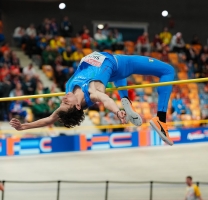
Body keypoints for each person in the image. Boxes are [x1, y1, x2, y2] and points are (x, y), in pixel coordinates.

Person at [10, 51, 175, 145]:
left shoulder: (69, 91)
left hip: (110, 68)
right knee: (168, 71)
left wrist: (23, 127)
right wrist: (118, 112)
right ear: (78, 107)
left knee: (112, 75)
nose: (63, 99)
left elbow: (49, 120)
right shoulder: (93, 91)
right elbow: (106, 100)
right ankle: (161, 118)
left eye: (61, 102)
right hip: (121, 64)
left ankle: (127, 102)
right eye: (66, 103)